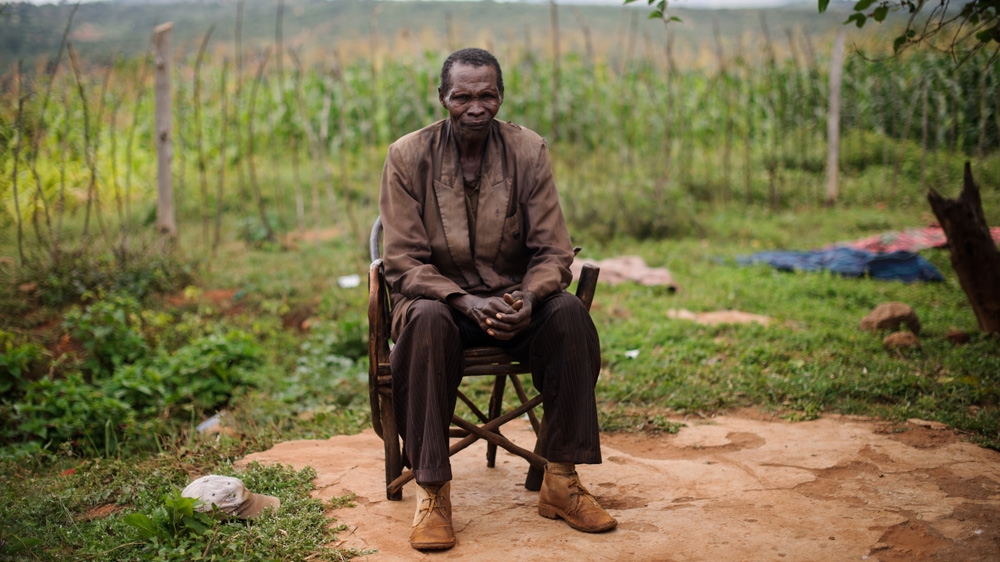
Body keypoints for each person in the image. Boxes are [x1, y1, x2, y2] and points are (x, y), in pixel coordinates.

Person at [379, 47, 615, 551]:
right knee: (423, 322)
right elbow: (402, 261)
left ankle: (560, 480)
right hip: (442, 307)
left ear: (501, 96)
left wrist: (529, 297)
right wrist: (463, 300)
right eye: (462, 96)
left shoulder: (528, 151)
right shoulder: (406, 156)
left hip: (513, 306)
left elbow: (553, 251)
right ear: (443, 98)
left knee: (569, 313)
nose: (475, 107)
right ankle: (433, 492)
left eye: (487, 95)